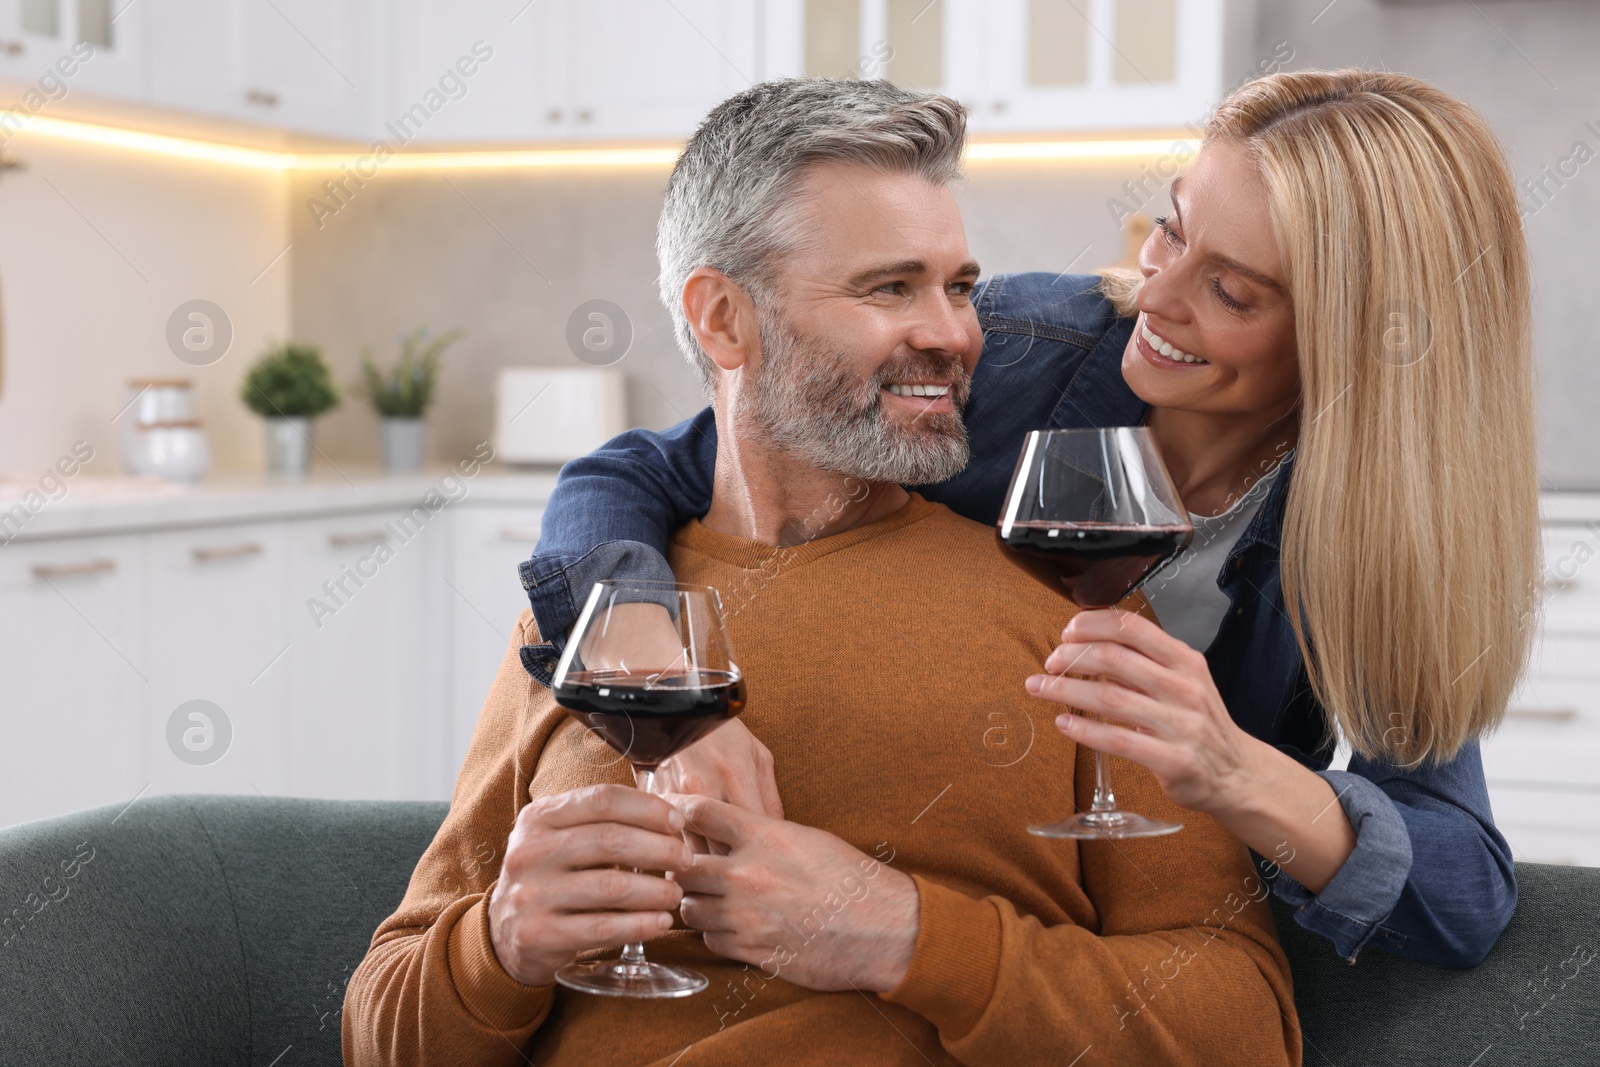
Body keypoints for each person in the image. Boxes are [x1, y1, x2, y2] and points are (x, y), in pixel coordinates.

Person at [344, 79, 1301, 1067]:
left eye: (960, 286)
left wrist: (909, 937)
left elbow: (1243, 1031)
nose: (954, 333)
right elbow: (383, 1035)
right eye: (890, 288)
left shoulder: (1072, 615)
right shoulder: (596, 626)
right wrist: (496, 943)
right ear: (722, 319)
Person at [520, 69, 1538, 969]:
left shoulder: (1385, 522)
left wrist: (1234, 769)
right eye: (1170, 230)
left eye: (1227, 289)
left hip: (1120, 933)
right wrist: (648, 654)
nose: (1155, 296)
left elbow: (1462, 893)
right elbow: (638, 467)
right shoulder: (1013, 351)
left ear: (1353, 343)